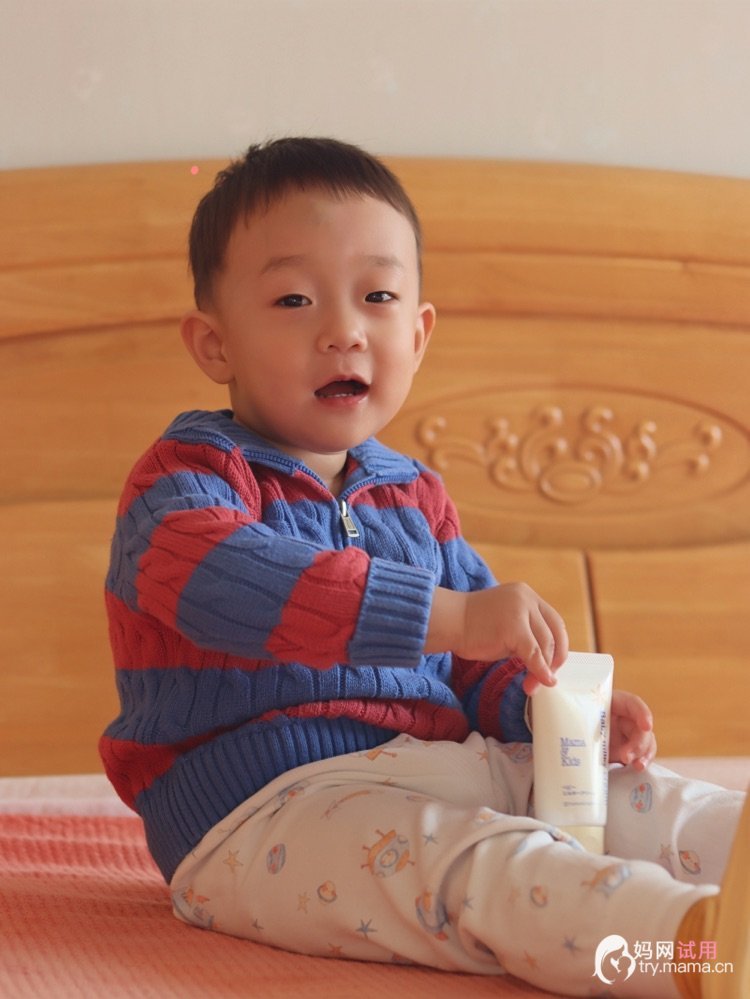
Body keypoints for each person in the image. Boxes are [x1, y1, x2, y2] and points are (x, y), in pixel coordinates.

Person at [101, 137, 747, 998]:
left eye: (377, 296)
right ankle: (690, 950)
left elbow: (475, 665)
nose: (343, 329)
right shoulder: (182, 482)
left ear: (417, 332)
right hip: (265, 809)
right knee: (483, 867)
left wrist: (551, 711)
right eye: (293, 299)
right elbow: (235, 586)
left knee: (641, 798)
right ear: (215, 344)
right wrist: (449, 616)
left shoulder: (414, 495)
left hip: (450, 766)